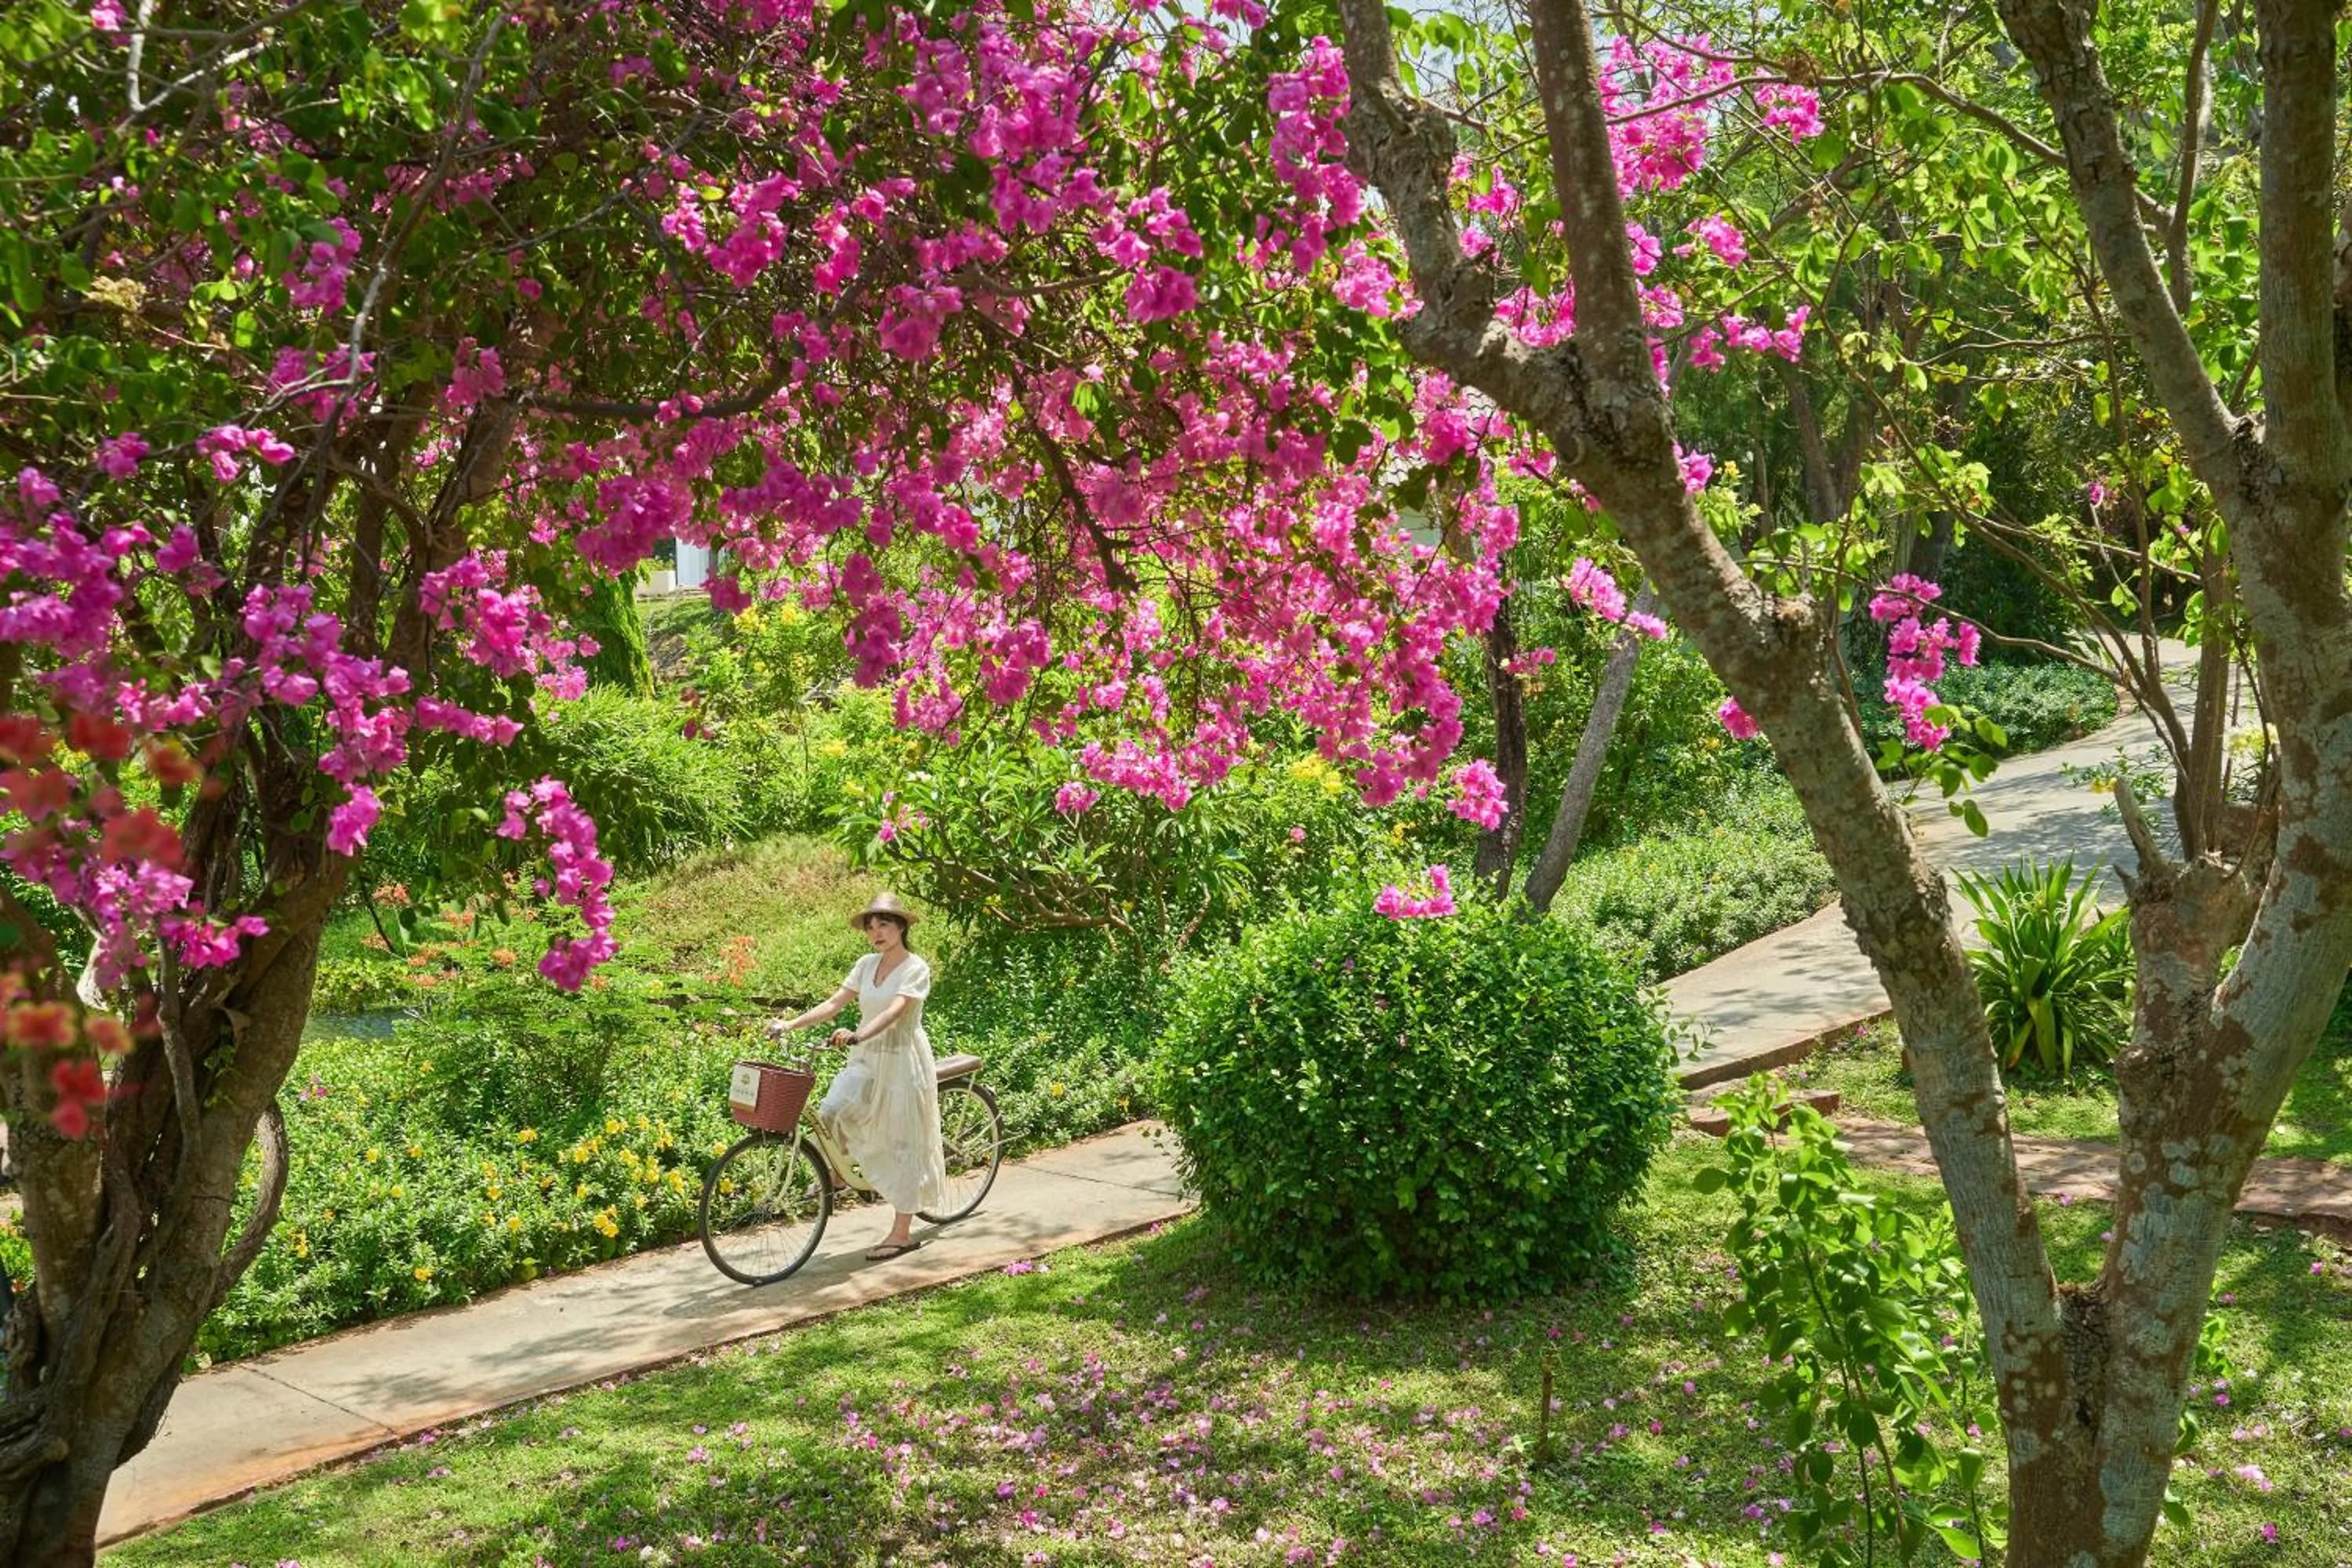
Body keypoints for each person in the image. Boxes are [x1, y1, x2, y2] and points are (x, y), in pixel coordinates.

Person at [769, 892, 947, 1261]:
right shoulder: (867, 964)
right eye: (871, 926)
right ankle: (837, 1175)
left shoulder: (915, 968)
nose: (876, 932)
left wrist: (860, 1033)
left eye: (884, 924)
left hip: (900, 1059)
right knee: (833, 1110)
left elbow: (897, 1010)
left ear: (901, 927)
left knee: (902, 1141)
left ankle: (901, 1232)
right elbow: (835, 1003)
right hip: (866, 1058)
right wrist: (790, 1024)